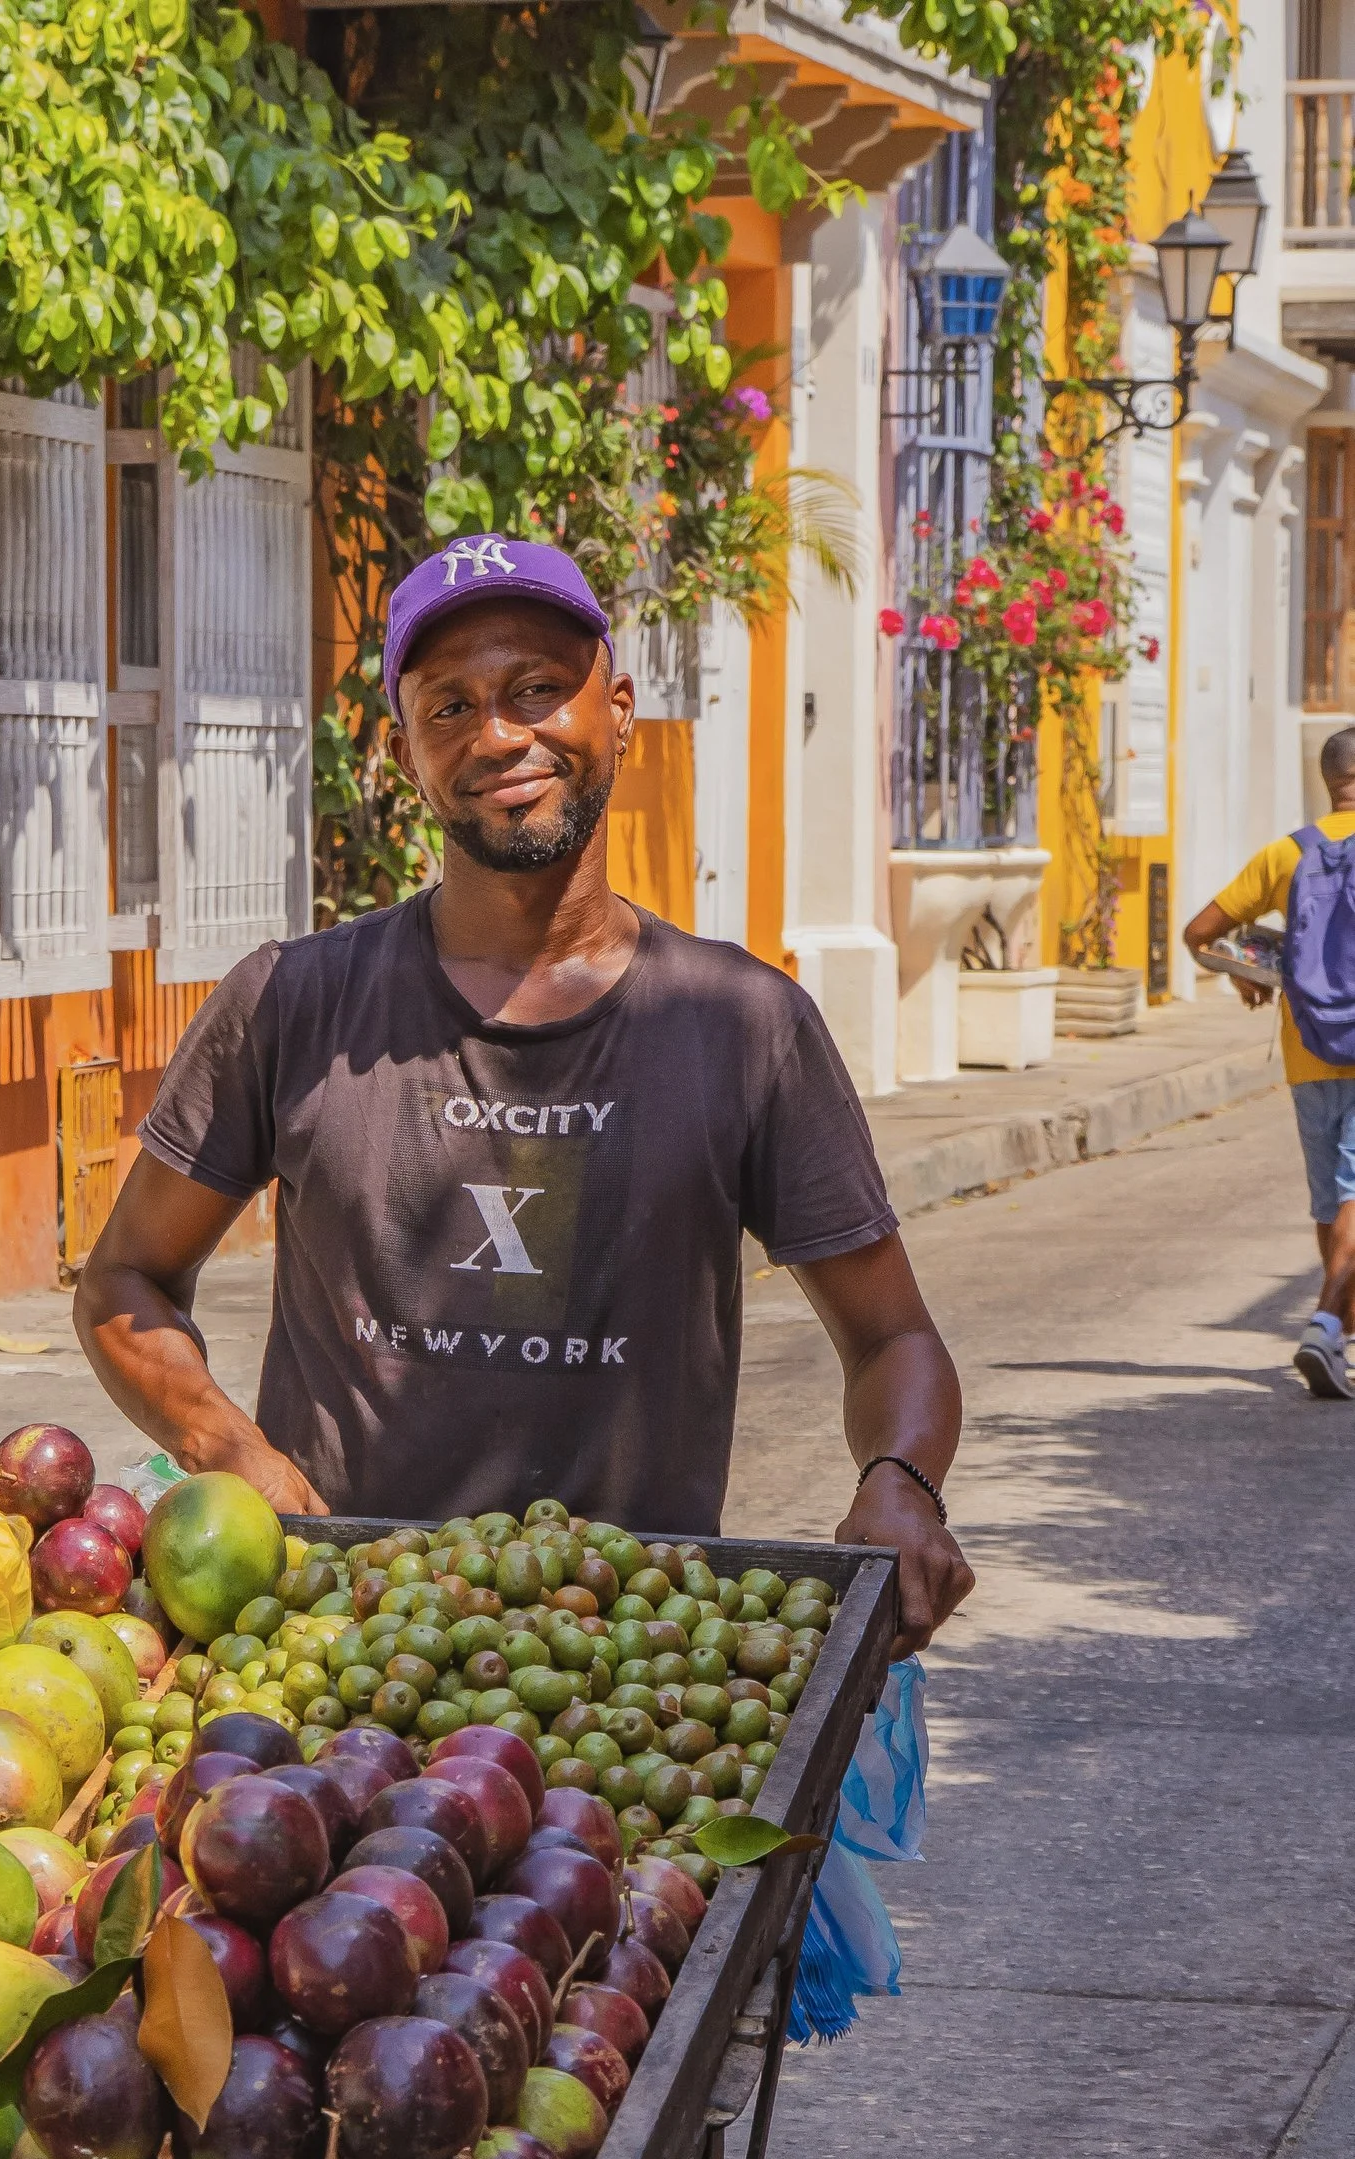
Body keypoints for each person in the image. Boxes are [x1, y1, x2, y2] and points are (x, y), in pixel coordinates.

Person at [73, 533, 975, 1649]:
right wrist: (226, 1447)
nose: (497, 735)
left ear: (622, 709)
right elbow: (125, 1278)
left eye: (538, 689)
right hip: (326, 1649)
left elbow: (892, 1340)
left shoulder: (741, 1026)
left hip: (640, 1668)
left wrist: (899, 1484)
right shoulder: (292, 1004)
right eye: (446, 708)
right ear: (407, 754)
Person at [1182, 728, 1355, 1401]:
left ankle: (1334, 1333)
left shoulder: (1287, 853)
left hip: (1307, 1050)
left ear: (1325, 779)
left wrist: (1242, 974)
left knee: (1332, 1198)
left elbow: (1199, 933)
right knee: (1352, 1196)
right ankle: (1323, 1324)